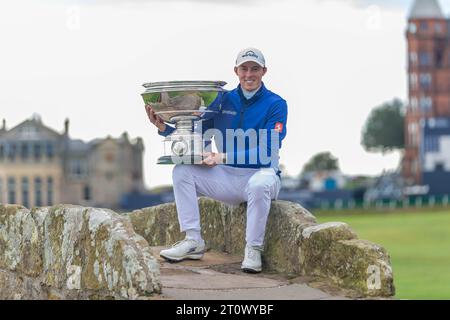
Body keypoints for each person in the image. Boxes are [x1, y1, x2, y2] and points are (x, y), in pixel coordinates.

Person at [145, 48, 288, 273]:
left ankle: (253, 249)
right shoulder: (222, 100)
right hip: (228, 178)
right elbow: (196, 136)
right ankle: (193, 241)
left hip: (263, 174)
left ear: (264, 71)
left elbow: (267, 152)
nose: (249, 74)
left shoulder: (276, 104)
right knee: (182, 171)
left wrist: (221, 156)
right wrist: (164, 128)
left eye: (255, 69)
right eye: (244, 69)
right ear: (236, 71)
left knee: (260, 185)